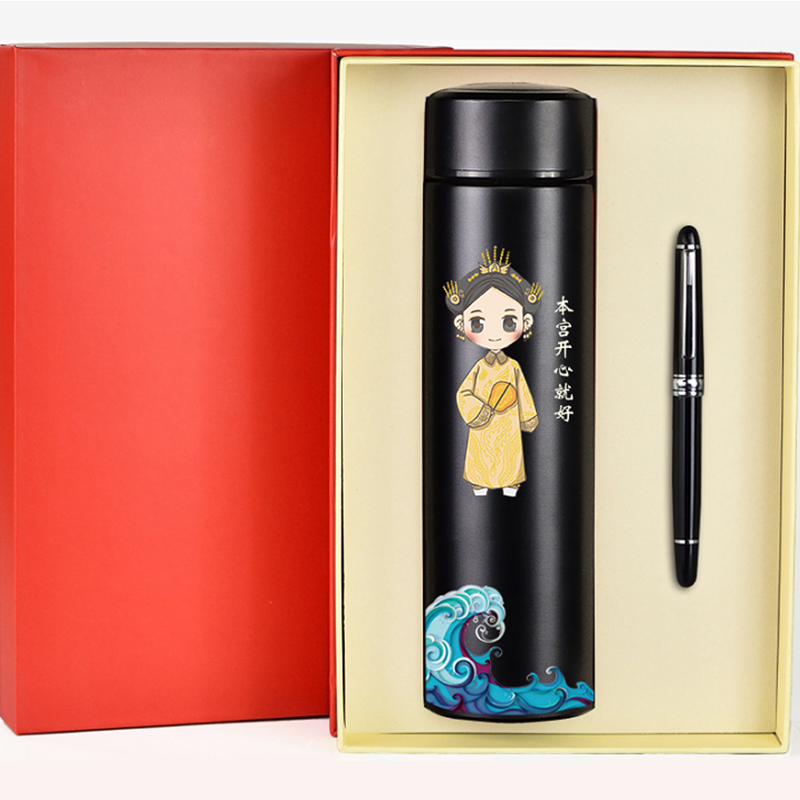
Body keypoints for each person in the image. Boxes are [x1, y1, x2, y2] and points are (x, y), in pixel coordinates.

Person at [444, 247, 542, 497]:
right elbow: (464, 392)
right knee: (481, 460)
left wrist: (527, 416)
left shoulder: (513, 367)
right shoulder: (478, 368)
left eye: (508, 322)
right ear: (461, 323)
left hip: (508, 424)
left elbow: (523, 392)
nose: (495, 334)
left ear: (525, 322)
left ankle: (511, 486)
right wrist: (478, 411)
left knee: (509, 458)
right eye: (478, 323)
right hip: (483, 425)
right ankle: (479, 487)